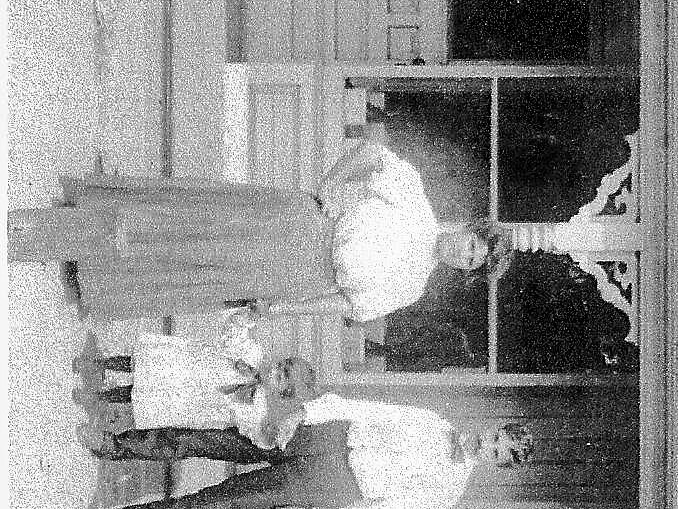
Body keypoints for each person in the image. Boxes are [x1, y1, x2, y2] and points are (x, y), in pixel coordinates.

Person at [7, 140, 514, 325]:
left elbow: (344, 306)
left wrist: (281, 308)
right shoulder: (415, 197)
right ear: (468, 229)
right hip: (302, 223)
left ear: (463, 270)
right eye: (471, 244)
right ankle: (81, 223)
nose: (462, 253)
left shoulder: (411, 289)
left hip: (302, 278)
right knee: (201, 223)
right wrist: (326, 188)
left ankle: (98, 276)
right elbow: (373, 152)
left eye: (470, 261)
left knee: (203, 276)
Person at [73, 403, 535, 509]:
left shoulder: (447, 490)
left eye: (498, 453)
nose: (487, 445)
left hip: (332, 487)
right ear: (492, 427)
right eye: (496, 437)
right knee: (212, 440)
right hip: (323, 436)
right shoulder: (434, 420)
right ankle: (114, 446)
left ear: (494, 464)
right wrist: (309, 410)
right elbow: (365, 409)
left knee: (214, 504)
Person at [89, 316, 317, 450]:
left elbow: (254, 432)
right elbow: (232, 333)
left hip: (189, 402)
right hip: (188, 367)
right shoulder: (252, 354)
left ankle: (103, 398)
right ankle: (101, 364)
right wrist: (249, 317)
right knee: (146, 367)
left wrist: (271, 437)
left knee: (145, 396)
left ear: (282, 394)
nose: (275, 371)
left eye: (281, 378)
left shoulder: (255, 408)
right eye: (282, 365)